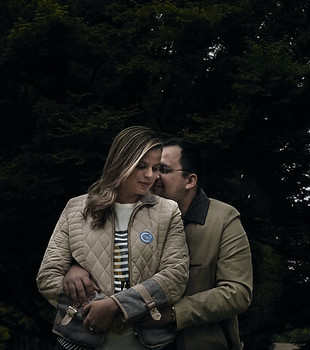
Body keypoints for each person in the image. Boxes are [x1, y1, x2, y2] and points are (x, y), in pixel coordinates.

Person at [64, 138, 253, 350]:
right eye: (151, 168)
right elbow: (104, 258)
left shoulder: (223, 220)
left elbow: (238, 293)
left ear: (190, 180)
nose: (153, 176)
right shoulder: (132, 212)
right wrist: (74, 266)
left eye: (163, 169)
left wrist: (174, 314)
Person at [38, 126, 189, 350]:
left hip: (147, 343)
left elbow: (175, 276)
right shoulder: (76, 208)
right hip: (80, 342)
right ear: (121, 162)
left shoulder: (167, 211)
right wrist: (94, 308)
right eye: (141, 166)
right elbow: (48, 276)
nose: (151, 175)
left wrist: (115, 307)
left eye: (155, 168)